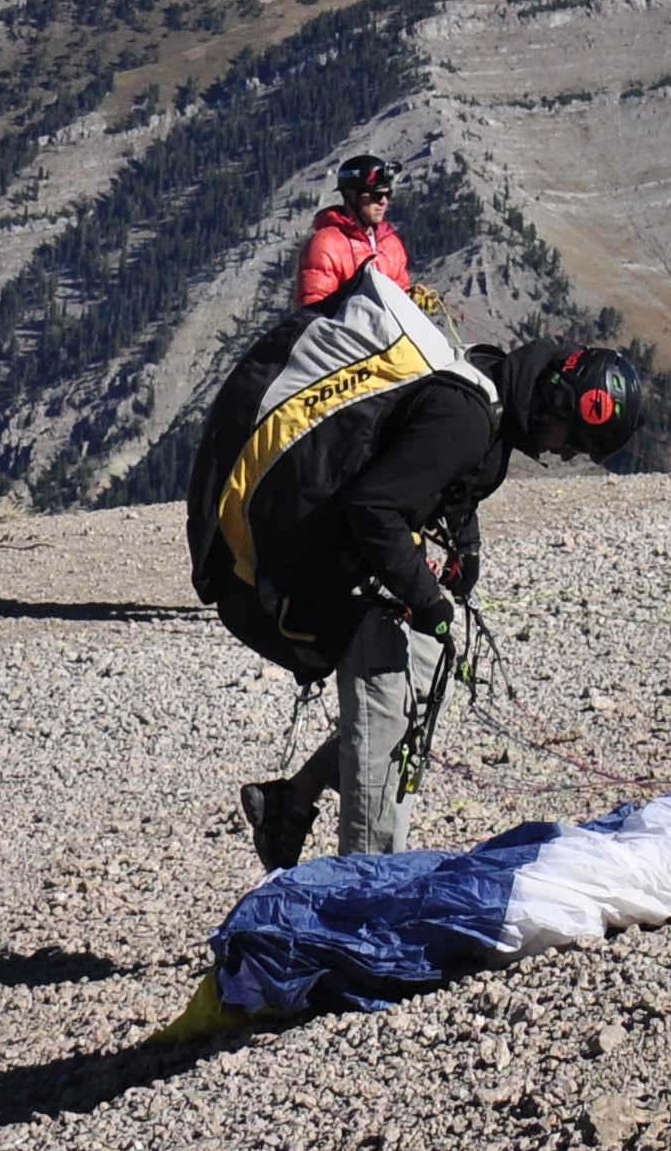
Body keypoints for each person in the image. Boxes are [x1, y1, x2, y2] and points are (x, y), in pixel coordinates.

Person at [196, 306, 638, 867]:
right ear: (555, 402)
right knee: (383, 744)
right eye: (573, 439)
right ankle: (362, 912)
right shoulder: (470, 418)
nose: (565, 452)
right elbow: (374, 507)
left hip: (369, 576)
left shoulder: (490, 389)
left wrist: (464, 548)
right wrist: (426, 599)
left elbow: (442, 478)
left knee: (415, 706)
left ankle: (292, 801)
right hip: (357, 587)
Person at [294, 154, 411, 309]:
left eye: (387, 194)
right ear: (351, 195)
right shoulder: (325, 245)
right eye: (376, 194)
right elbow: (312, 313)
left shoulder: (391, 245)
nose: (384, 201)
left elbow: (401, 304)